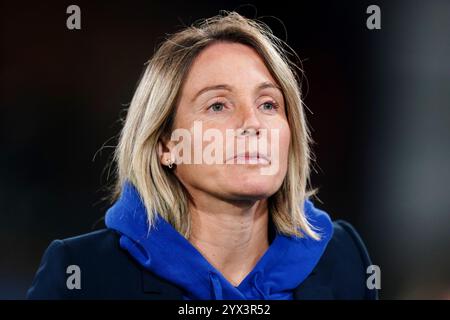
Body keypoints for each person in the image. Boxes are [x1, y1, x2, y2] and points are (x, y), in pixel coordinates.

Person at [27, 11, 377, 300]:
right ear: (166, 145)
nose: (252, 123)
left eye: (268, 104)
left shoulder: (343, 259)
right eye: (218, 105)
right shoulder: (84, 275)